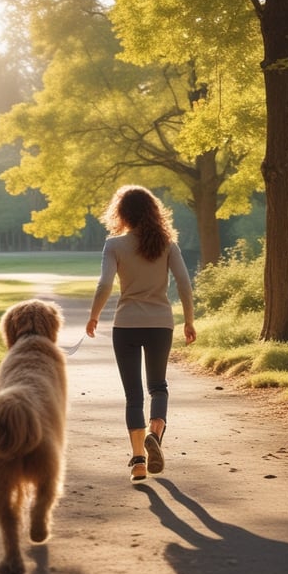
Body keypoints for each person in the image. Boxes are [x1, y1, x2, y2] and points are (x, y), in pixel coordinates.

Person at [86, 185, 196, 484]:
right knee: (158, 386)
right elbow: (184, 285)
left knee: (133, 396)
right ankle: (155, 434)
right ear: (153, 211)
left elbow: (104, 285)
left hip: (126, 325)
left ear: (121, 213)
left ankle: (138, 462)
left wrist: (94, 316)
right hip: (161, 323)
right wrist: (189, 320)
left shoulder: (114, 245)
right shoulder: (168, 245)